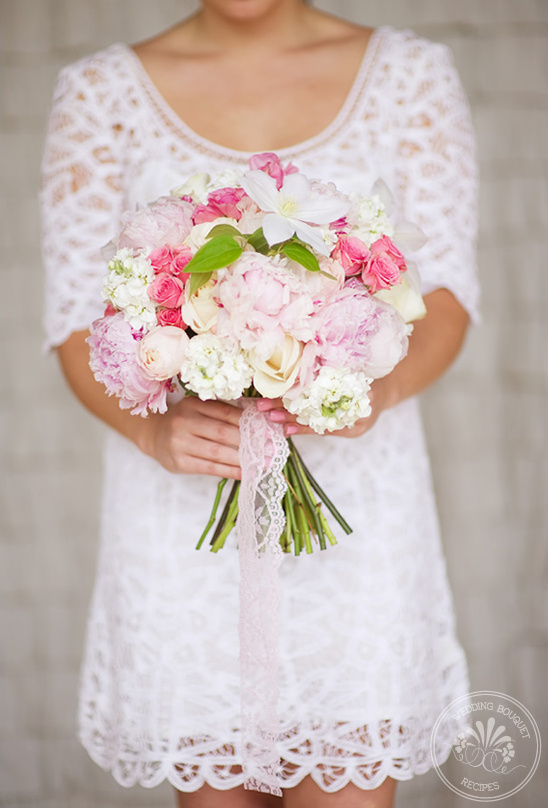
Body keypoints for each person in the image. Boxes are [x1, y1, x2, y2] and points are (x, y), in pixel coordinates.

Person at [41, 1, 479, 806]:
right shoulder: (100, 92)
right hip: (182, 521)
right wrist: (152, 432)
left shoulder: (411, 75)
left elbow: (448, 297)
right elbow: (73, 323)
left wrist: (372, 390)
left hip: (358, 517)